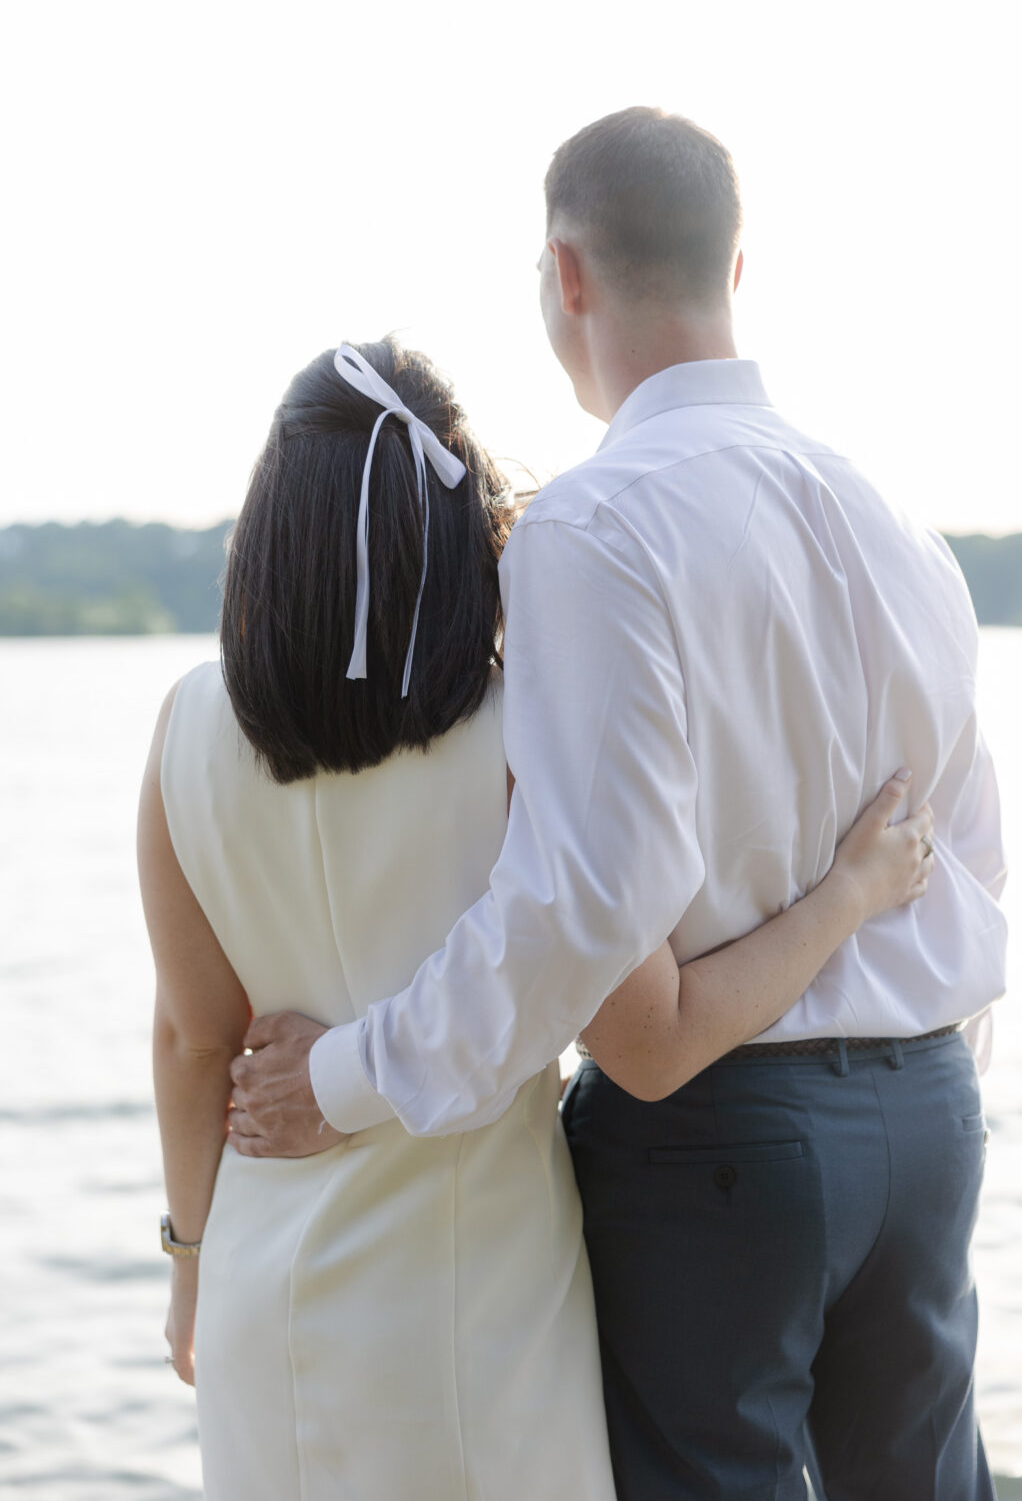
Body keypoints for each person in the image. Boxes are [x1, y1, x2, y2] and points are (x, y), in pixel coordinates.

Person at [229, 110, 1007, 1501]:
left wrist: (341, 1080)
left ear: (563, 277)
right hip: (932, 1115)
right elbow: (962, 851)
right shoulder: (896, 518)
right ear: (734, 266)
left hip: (724, 1149)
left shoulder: (596, 529)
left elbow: (578, 911)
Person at [140, 338, 934, 1500]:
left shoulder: (183, 728)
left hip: (261, 1291)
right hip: (475, 1308)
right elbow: (644, 1025)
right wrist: (849, 894)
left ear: (269, 535)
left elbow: (191, 1043)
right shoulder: (521, 739)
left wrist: (190, 1266)